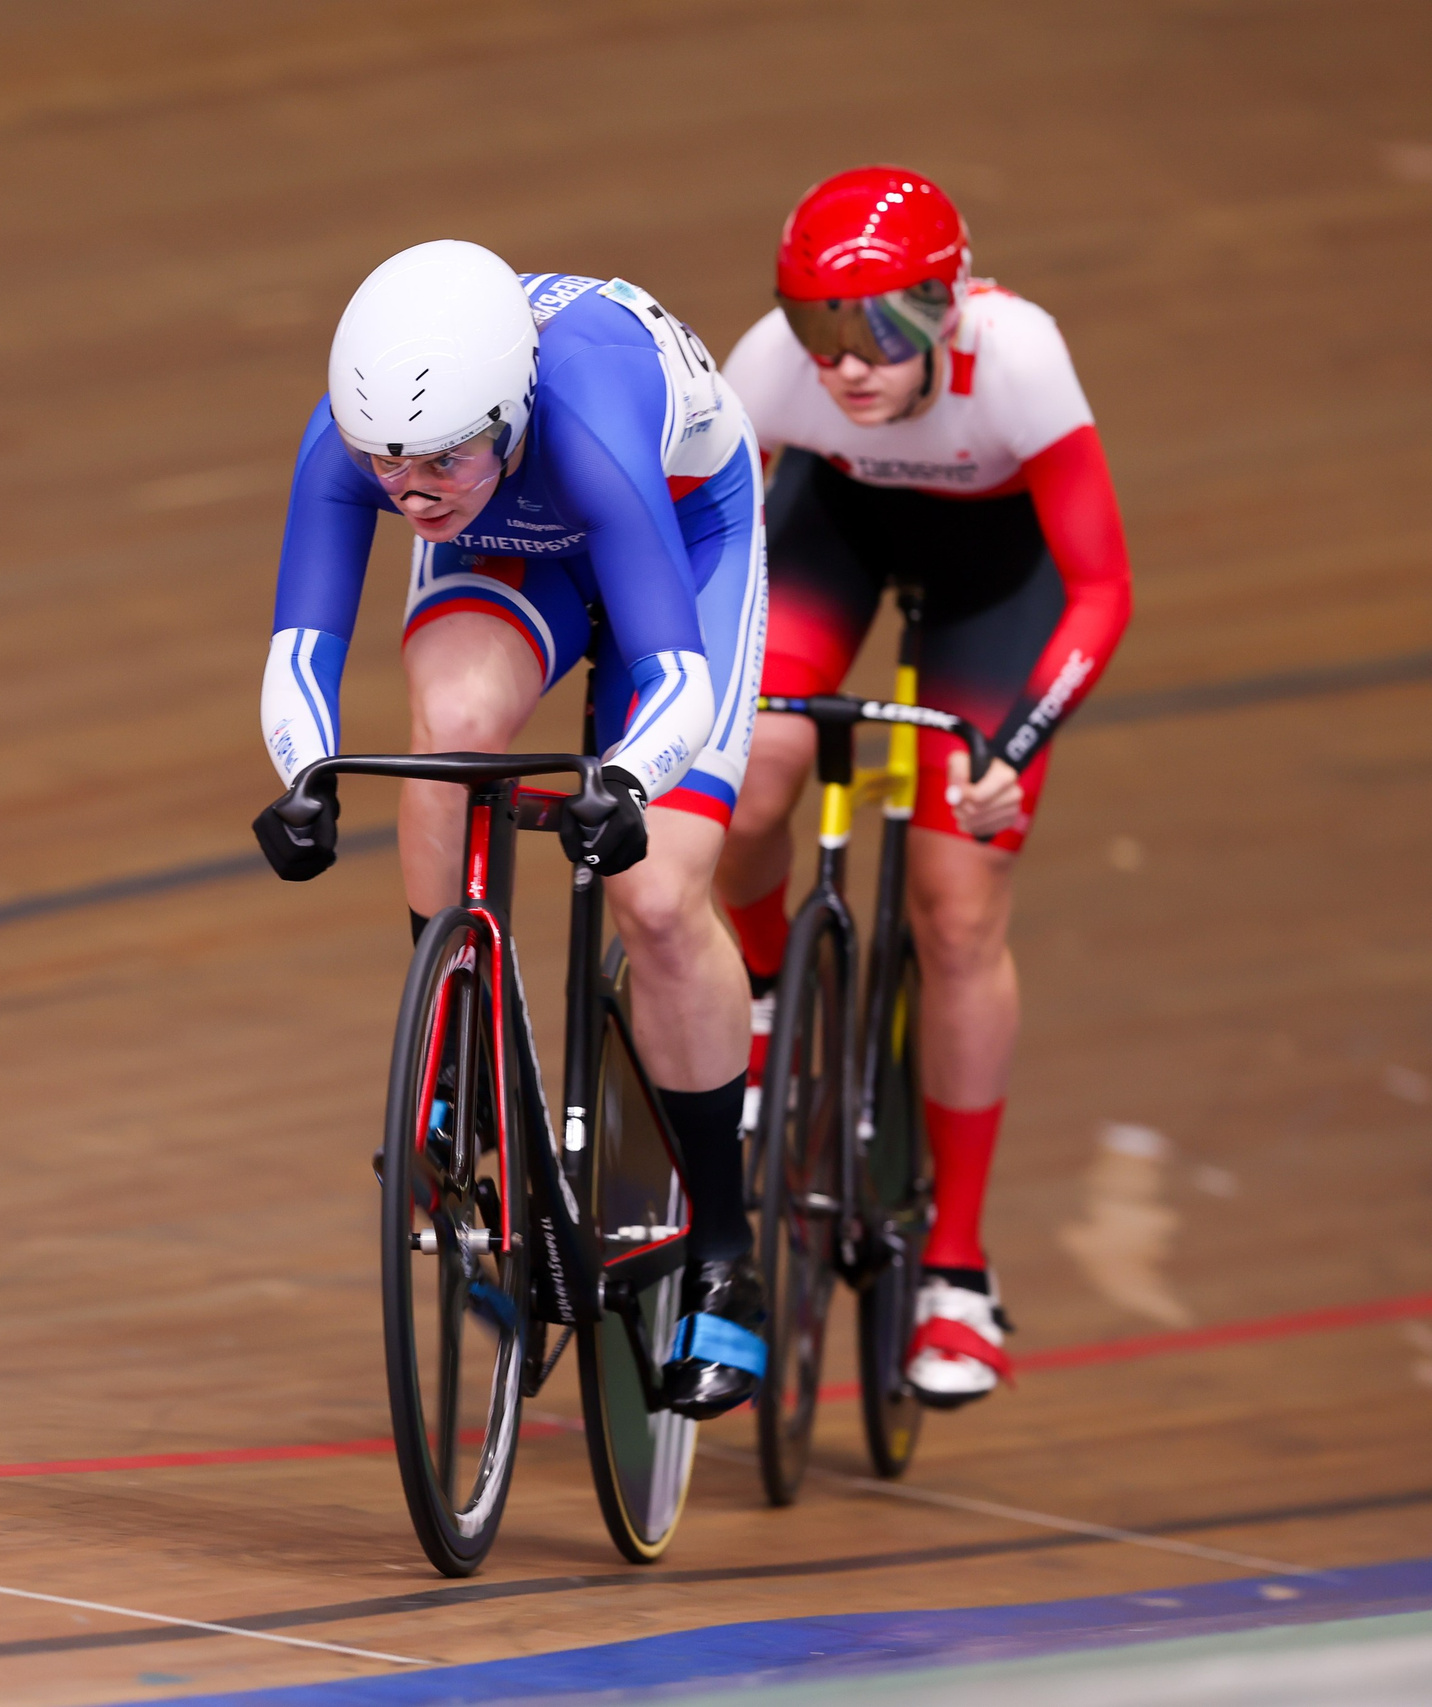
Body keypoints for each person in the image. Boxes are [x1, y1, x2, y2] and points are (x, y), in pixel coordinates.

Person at [252, 240, 770, 1420]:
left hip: (682, 533)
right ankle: (452, 1055)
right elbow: (299, 654)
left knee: (655, 894)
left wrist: (629, 779)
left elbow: (679, 679)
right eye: (388, 465)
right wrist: (304, 782)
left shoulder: (584, 419)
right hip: (515, 546)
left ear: (509, 411)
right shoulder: (359, 440)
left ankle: (728, 1252)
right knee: (452, 729)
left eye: (438, 461)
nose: (409, 491)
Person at [717, 167, 1134, 1407]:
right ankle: (757, 1001)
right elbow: (694, 537)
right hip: (829, 532)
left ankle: (956, 1269)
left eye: (882, 327)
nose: (846, 366)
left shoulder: (1019, 360)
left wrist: (1021, 744)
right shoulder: (771, 370)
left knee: (956, 911)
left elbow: (1100, 585)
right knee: (747, 783)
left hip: (995, 584)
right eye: (817, 328)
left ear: (949, 306)